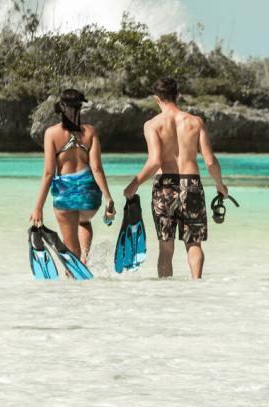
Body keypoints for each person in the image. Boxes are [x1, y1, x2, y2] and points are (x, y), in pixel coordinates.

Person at [123, 76, 228, 279]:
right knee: (194, 243)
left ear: (157, 99)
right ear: (178, 95)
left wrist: (133, 186)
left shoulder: (153, 125)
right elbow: (209, 162)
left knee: (166, 247)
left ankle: (166, 294)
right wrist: (220, 185)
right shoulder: (195, 122)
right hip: (192, 186)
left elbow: (154, 162)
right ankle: (196, 285)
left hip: (165, 187)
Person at [30, 89, 116, 264]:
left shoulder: (51, 134)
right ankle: (85, 260)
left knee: (71, 253)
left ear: (62, 107)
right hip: (89, 197)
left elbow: (48, 173)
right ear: (80, 107)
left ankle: (74, 275)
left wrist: (38, 207)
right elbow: (97, 168)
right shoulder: (90, 132)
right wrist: (108, 199)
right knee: (83, 220)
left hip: (66, 197)